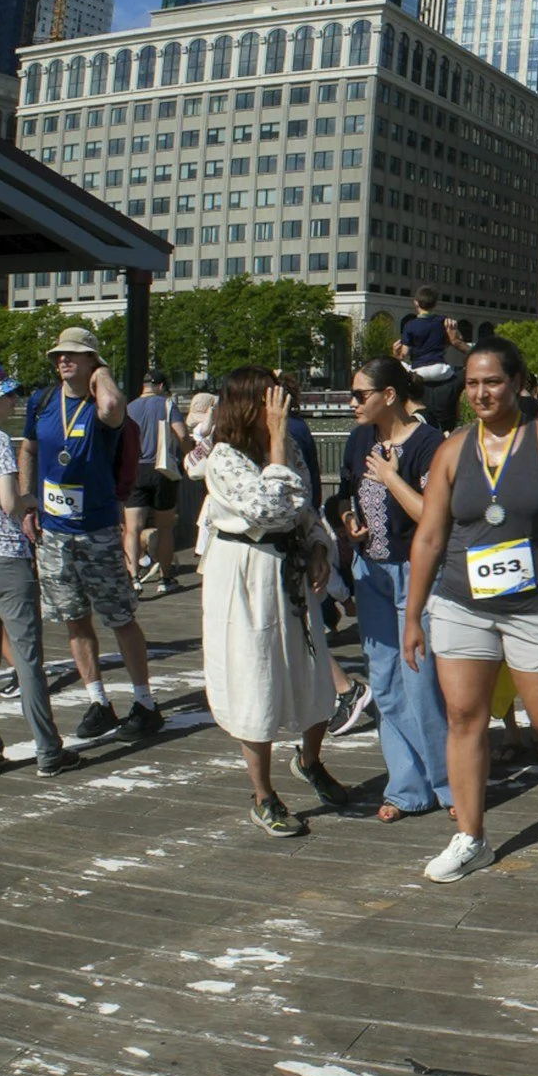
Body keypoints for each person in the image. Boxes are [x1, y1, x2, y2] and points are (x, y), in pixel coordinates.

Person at [401, 336, 538, 883]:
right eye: (472, 383)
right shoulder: (452, 449)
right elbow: (430, 536)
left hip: (536, 603)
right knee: (464, 717)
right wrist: (413, 612)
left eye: (493, 382)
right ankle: (471, 836)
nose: (481, 393)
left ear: (517, 384)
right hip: (462, 603)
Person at [195, 368, 348, 837]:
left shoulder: (289, 450)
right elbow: (273, 508)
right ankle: (263, 795)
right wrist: (279, 443)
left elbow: (304, 510)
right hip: (246, 574)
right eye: (274, 402)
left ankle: (310, 760)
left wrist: (319, 546)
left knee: (314, 672)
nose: (283, 410)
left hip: (290, 568)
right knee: (255, 677)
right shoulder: (223, 459)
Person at [19, 328, 163, 745]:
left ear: (92, 360)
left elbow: (114, 406)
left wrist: (101, 374)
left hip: (97, 529)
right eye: (59, 355)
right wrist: (28, 501)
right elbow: (28, 449)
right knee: (74, 618)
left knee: (120, 617)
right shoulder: (42, 401)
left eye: (74, 354)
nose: (63, 360)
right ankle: (98, 700)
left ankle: (145, 703)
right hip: (54, 533)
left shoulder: (100, 403)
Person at [0, 364, 82, 778]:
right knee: (27, 661)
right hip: (7, 560)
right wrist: (32, 502)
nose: (13, 401)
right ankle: (48, 751)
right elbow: (10, 502)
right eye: (8, 395)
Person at [340, 357, 455, 823]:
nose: (351, 404)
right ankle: (408, 787)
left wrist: (390, 477)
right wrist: (347, 519)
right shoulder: (358, 439)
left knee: (420, 681)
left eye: (359, 395)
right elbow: (343, 493)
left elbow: (433, 514)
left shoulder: (428, 443)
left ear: (389, 396)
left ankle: (450, 783)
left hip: (416, 570)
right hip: (370, 570)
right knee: (385, 683)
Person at [119, 370, 186, 594]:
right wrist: (189, 455)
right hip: (162, 470)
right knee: (165, 528)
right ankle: (165, 579)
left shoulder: (129, 408)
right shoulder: (167, 405)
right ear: (161, 386)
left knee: (132, 529)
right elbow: (182, 435)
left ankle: (134, 578)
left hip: (135, 470)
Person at [396, 286, 469, 430]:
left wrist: (396, 354)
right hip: (441, 370)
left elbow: (404, 353)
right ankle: (457, 414)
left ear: (416, 302)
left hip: (419, 372)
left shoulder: (410, 325)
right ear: (435, 303)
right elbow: (457, 338)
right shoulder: (444, 321)